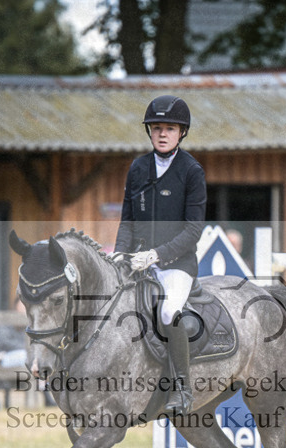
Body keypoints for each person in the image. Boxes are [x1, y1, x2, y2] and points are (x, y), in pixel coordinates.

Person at [114, 95, 207, 415]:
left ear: (182, 132)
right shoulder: (138, 168)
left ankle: (182, 387)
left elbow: (193, 231)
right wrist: (120, 254)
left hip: (176, 265)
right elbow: (128, 220)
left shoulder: (191, 170)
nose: (162, 134)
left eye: (169, 128)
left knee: (168, 313)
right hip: (137, 263)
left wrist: (156, 255)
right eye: (156, 128)